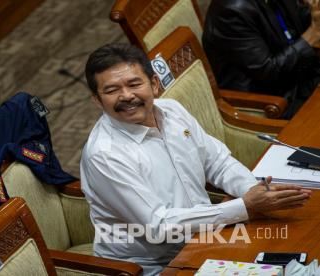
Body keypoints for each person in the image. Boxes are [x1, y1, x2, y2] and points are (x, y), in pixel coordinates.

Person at [80, 43, 312, 275]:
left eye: (134, 84)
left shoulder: (172, 110)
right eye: (111, 90)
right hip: (151, 266)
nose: (127, 96)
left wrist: (255, 191)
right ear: (97, 101)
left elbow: (217, 162)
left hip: (206, 237)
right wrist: (245, 205)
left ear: (153, 84)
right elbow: (159, 226)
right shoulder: (105, 155)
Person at [202, 0, 320, 118]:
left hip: (297, 76)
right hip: (271, 100)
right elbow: (268, 71)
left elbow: (292, 27)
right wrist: (313, 34)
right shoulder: (230, 11)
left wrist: (312, 9)